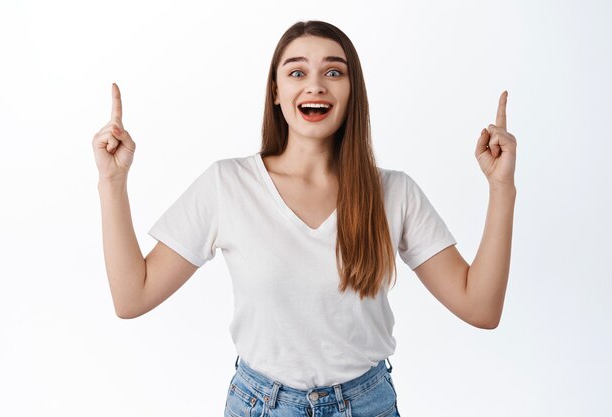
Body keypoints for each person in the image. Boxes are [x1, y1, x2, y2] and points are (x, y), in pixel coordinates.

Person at [92, 20, 517, 417]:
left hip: (367, 404)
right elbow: (134, 297)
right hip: (260, 405)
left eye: (334, 72)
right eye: (296, 72)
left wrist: (502, 188)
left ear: (353, 91)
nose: (315, 83)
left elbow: (480, 308)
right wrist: (112, 182)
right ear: (275, 92)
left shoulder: (394, 192)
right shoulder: (227, 184)